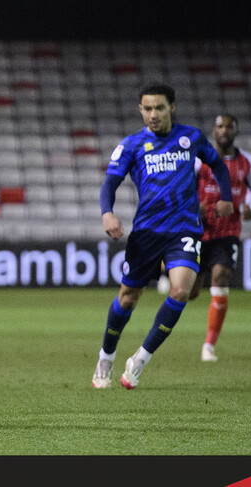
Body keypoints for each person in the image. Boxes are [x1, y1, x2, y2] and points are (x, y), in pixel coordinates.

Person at [91, 83, 234, 390]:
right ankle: (106, 355)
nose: (152, 114)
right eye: (147, 108)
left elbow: (219, 165)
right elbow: (109, 185)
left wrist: (226, 196)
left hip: (184, 229)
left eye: (158, 108)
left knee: (181, 291)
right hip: (146, 233)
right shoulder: (131, 145)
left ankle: (141, 358)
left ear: (172, 107)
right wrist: (107, 212)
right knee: (128, 298)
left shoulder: (191, 137)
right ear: (140, 110)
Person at [188, 114, 251, 362]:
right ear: (213, 130)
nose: (224, 130)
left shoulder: (247, 162)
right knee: (190, 293)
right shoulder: (200, 160)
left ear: (236, 131)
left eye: (229, 126)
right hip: (198, 230)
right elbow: (185, 187)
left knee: (221, 276)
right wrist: (192, 206)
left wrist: (250, 206)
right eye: (220, 126)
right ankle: (167, 267)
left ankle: (209, 344)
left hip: (227, 232)